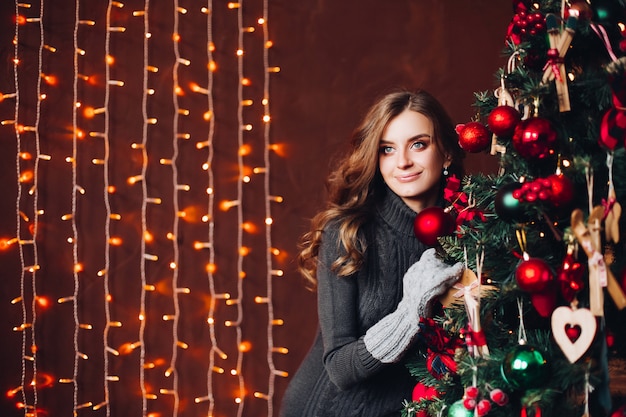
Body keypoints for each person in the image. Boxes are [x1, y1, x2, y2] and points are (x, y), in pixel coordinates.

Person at [280, 89, 466, 417]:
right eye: (387, 150)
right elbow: (339, 367)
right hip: (326, 410)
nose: (403, 162)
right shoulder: (349, 232)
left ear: (447, 152)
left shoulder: (469, 234)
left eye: (418, 144)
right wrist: (411, 312)